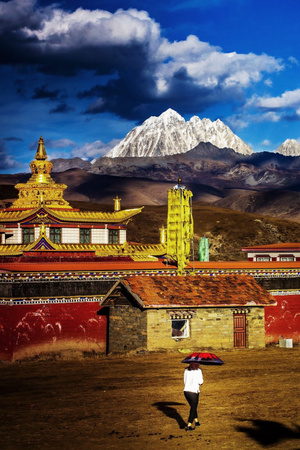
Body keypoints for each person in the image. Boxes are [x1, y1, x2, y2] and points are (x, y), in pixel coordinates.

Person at [183, 362, 203, 431]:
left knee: (193, 407)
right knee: (193, 408)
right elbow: (201, 382)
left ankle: (197, 421)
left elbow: (184, 381)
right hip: (194, 392)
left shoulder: (186, 370)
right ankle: (189, 425)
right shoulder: (198, 371)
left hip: (186, 391)